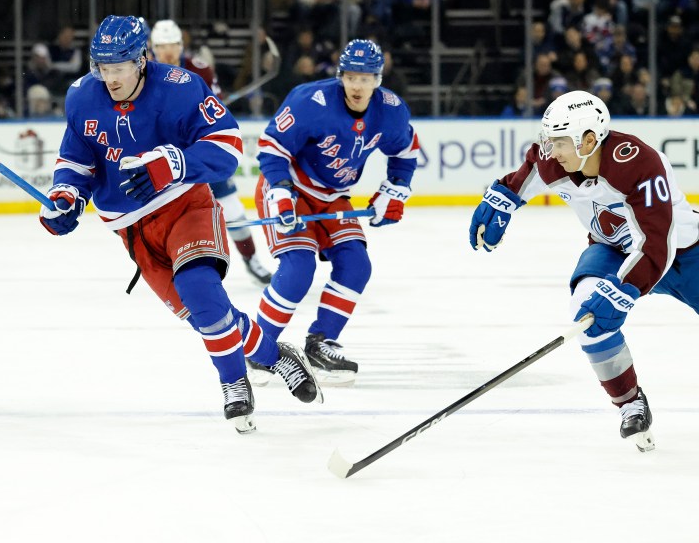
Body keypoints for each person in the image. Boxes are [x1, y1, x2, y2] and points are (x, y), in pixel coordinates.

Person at [40, 15, 323, 434]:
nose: (109, 78)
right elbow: (77, 161)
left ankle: (233, 383)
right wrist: (67, 196)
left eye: (118, 67)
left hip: (183, 204)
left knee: (199, 290)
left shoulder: (180, 86)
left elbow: (227, 146)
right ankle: (273, 353)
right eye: (102, 67)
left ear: (141, 59)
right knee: (206, 317)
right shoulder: (82, 96)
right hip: (132, 229)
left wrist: (175, 163)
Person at [469, 90, 699, 452]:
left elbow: (657, 243)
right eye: (550, 140)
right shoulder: (554, 161)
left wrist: (624, 288)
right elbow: (525, 175)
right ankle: (630, 403)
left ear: (590, 140)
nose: (552, 150)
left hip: (683, 252)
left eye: (560, 142)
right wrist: (502, 199)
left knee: (605, 305)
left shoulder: (639, 164)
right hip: (610, 249)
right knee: (587, 314)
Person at [251, 40, 420, 386]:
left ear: (378, 79)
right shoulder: (309, 101)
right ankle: (257, 349)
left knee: (356, 264)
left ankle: (321, 341)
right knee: (299, 268)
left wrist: (396, 189)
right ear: (341, 75)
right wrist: (282, 191)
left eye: (366, 77)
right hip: (291, 189)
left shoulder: (390, 111)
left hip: (333, 197)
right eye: (351, 77)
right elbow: (271, 147)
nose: (358, 86)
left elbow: (406, 151)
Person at [149, 18, 273, 284]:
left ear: (182, 46)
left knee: (232, 208)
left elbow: (214, 112)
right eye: (161, 46)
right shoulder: (145, 74)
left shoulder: (200, 70)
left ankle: (251, 260)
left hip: (201, 153)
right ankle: (168, 264)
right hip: (165, 155)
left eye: (173, 45)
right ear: (152, 48)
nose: (168, 51)